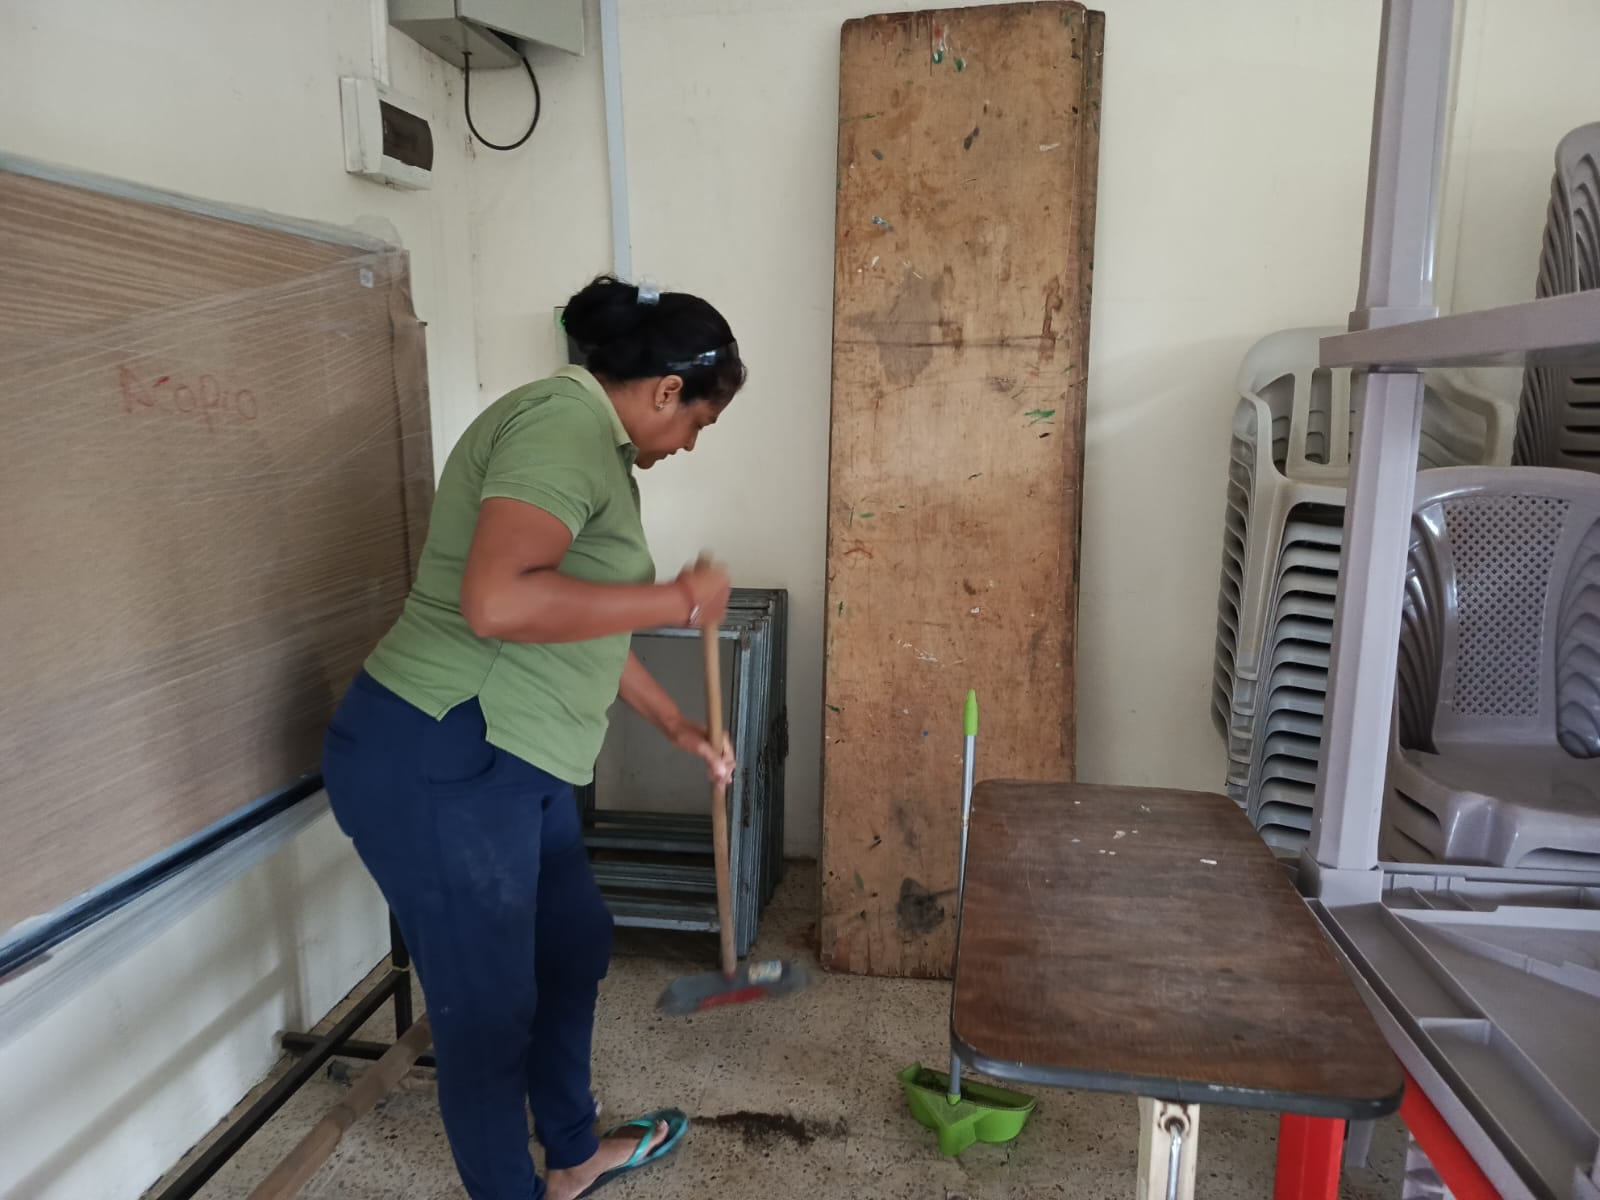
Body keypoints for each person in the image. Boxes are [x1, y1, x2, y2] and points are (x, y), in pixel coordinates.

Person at [320, 275, 744, 1200]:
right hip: (444, 751)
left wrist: (673, 721)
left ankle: (573, 1154)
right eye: (698, 423)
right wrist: (675, 600)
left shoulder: (597, 445)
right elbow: (500, 602)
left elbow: (574, 612)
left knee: (572, 942)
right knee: (487, 1011)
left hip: (517, 758)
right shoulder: (561, 427)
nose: (688, 445)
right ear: (668, 389)